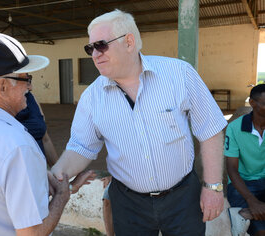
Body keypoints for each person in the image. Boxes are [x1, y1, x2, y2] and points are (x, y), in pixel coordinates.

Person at [51, 9, 228, 235]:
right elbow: (81, 147)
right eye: (90, 48)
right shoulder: (92, 98)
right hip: (128, 204)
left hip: (183, 197)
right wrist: (56, 175)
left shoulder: (179, 74)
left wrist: (213, 186)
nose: (95, 54)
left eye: (101, 45)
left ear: (129, 42)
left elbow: (210, 129)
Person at [0, 31, 88, 236]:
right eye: (25, 78)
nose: (30, 86)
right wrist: (61, 196)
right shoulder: (17, 145)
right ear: (2, 86)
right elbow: (32, 232)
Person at [226, 84, 265, 236]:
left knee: (253, 216)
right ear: (252, 103)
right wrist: (252, 200)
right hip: (242, 184)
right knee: (261, 230)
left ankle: (245, 214)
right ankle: (248, 213)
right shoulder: (235, 128)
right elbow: (231, 169)